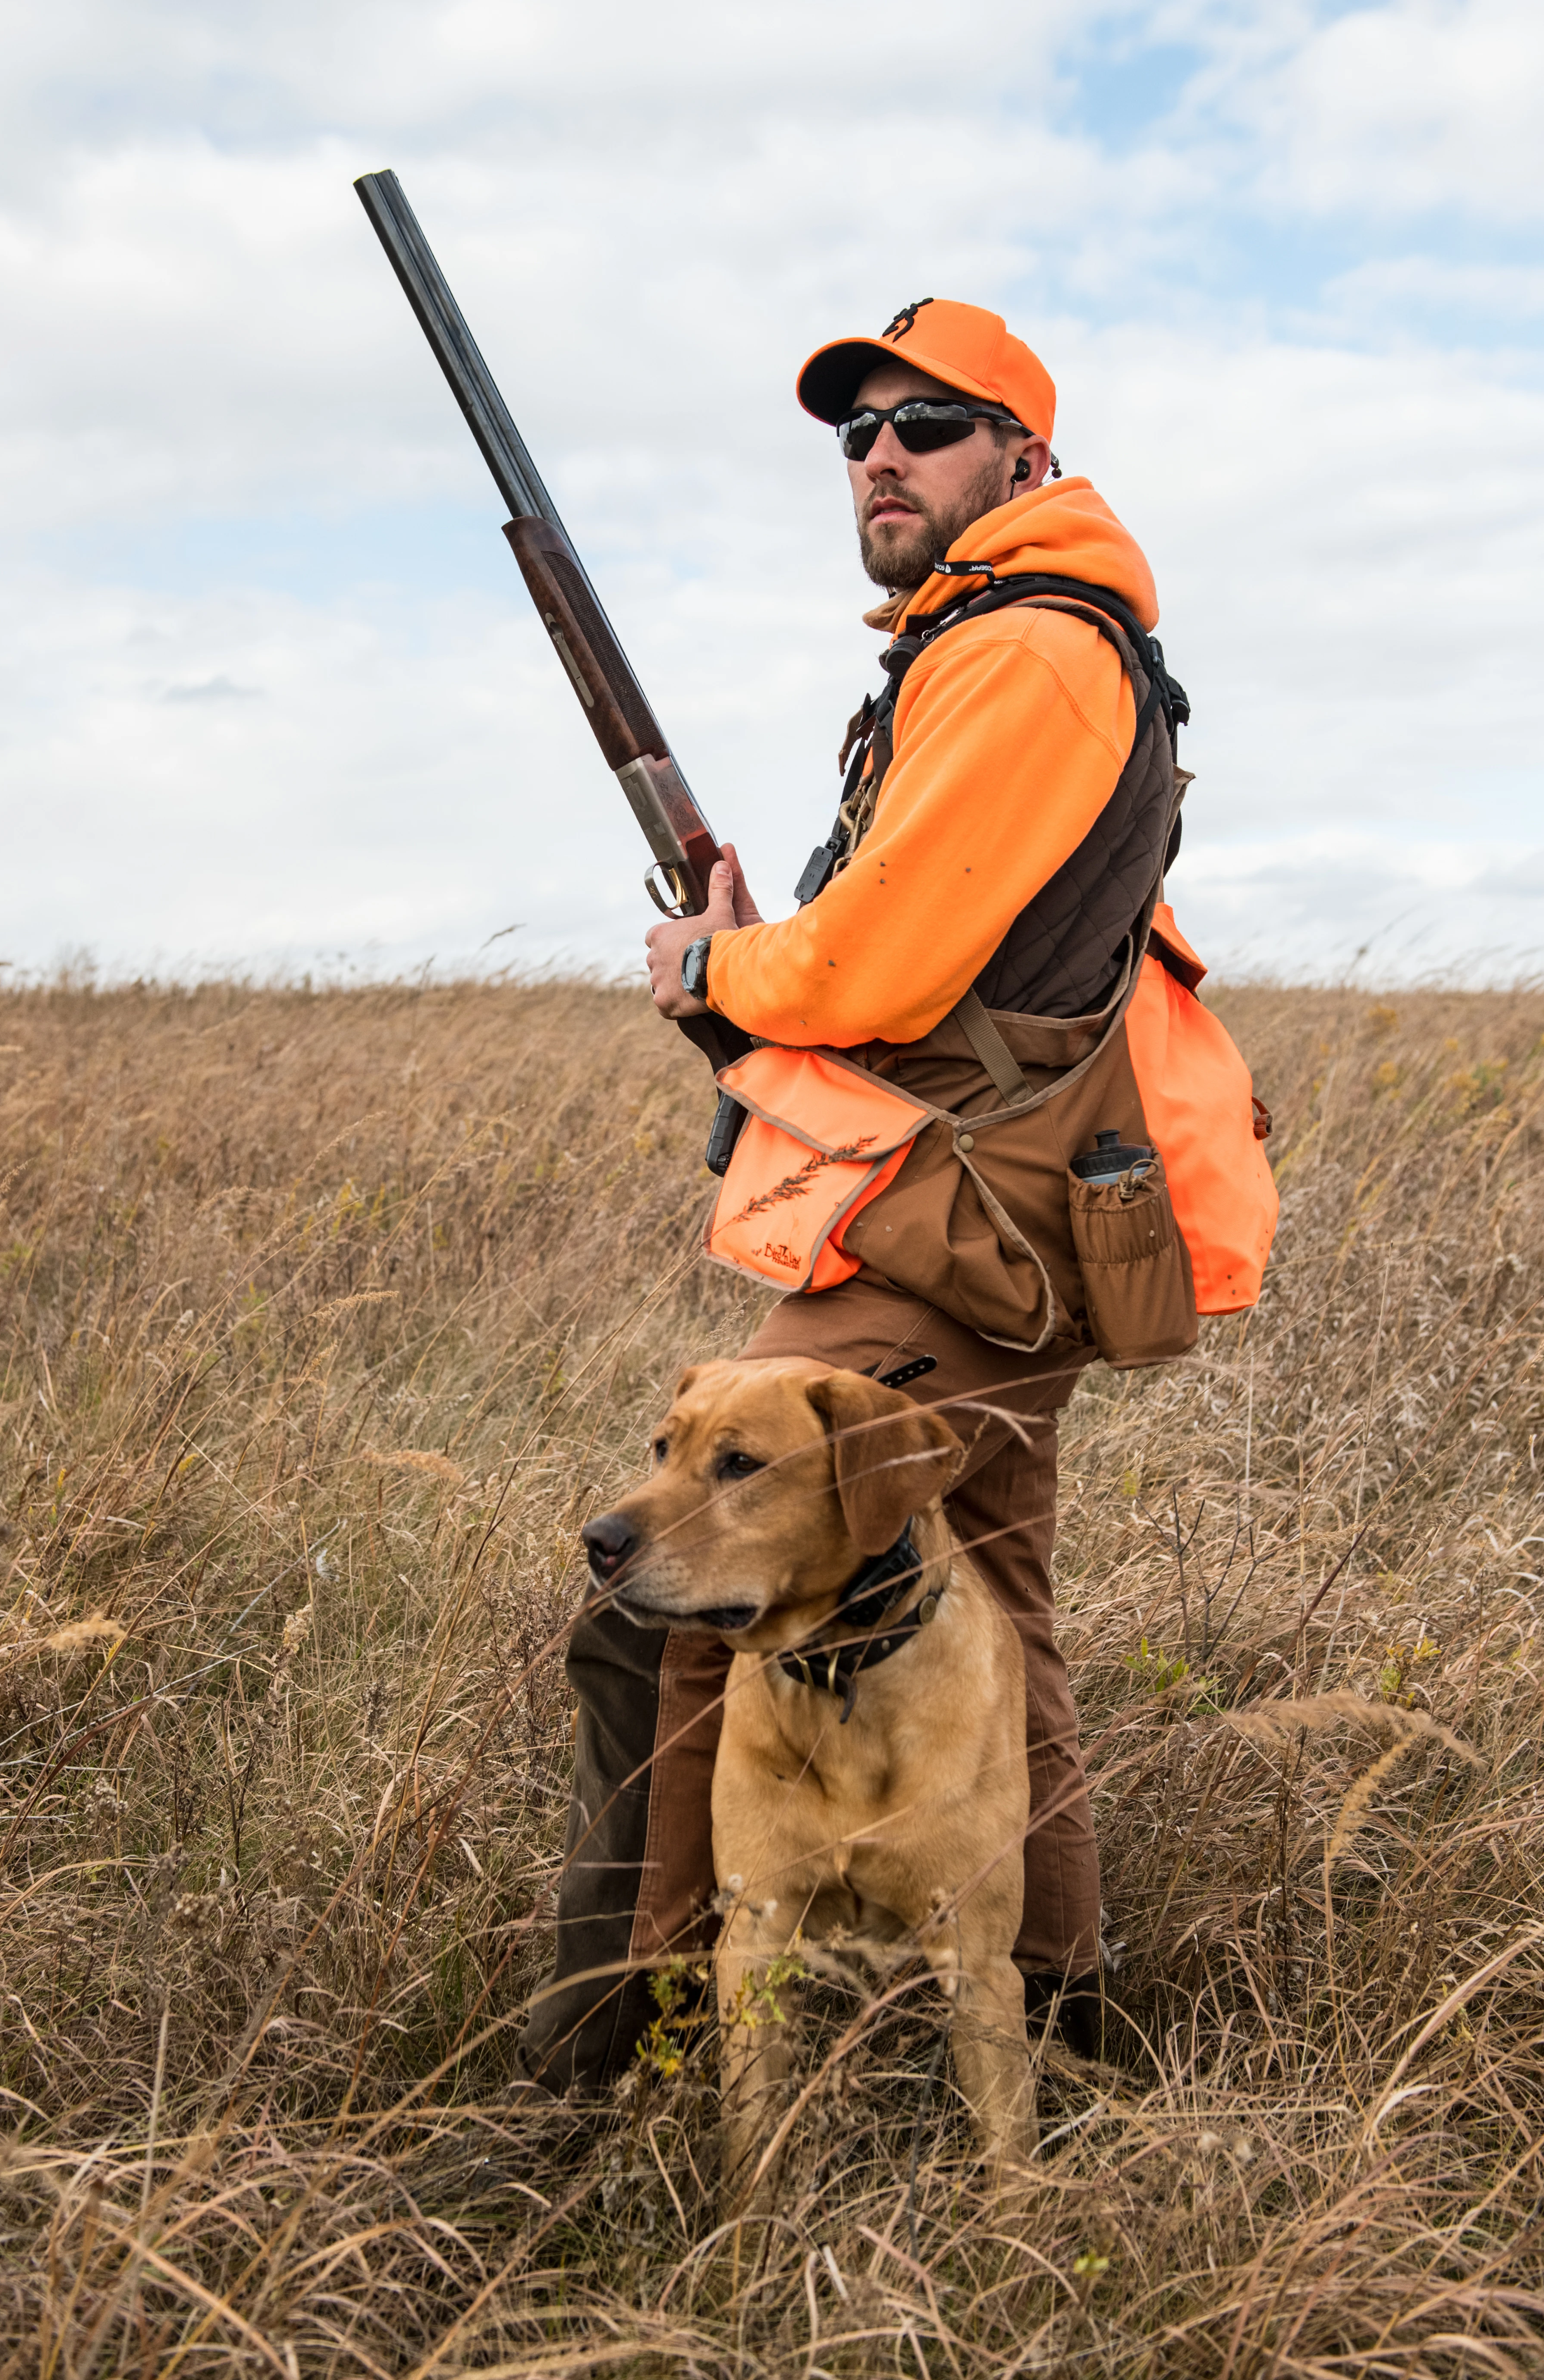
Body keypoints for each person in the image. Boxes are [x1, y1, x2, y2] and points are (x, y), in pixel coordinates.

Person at [514, 296, 1185, 2093]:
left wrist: (725, 975)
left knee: (676, 1589)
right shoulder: (985, 648)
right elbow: (923, 950)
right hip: (981, 1207)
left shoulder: (1026, 649)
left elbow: (883, 965)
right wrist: (757, 947)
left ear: (1021, 459)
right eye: (855, 433)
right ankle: (1056, 2029)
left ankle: (635, 2047)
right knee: (995, 1595)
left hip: (952, 1225)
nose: (879, 455)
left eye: (928, 422)